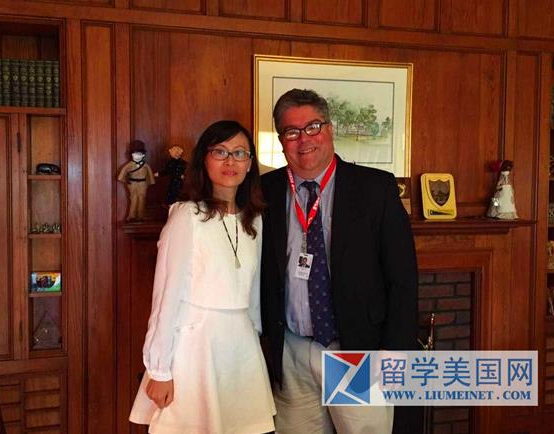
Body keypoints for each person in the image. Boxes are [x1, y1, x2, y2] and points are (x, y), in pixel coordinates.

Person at [260, 89, 418, 434]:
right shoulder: (264, 191)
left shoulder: (375, 188)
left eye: (313, 127)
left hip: (356, 349)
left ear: (330, 129)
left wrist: (394, 348)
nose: (304, 139)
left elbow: (403, 276)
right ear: (282, 140)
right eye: (292, 131)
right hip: (292, 351)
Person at [129, 120, 276, 433]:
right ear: (204, 159)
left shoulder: (255, 220)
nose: (230, 161)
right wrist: (159, 369)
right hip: (194, 348)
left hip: (241, 348)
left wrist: (255, 337)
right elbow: (166, 295)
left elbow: (252, 294)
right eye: (220, 151)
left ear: (250, 163)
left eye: (239, 153)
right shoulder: (187, 215)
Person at [117, 140, 155, 221]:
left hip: (143, 183)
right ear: (132, 154)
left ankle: (141, 215)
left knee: (142, 198)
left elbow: (150, 175)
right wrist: (126, 181)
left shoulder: (146, 165)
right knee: (133, 199)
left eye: (139, 154)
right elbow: (121, 175)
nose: (137, 156)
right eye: (135, 154)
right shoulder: (129, 165)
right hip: (132, 183)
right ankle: (131, 216)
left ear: (143, 155)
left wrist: (149, 182)